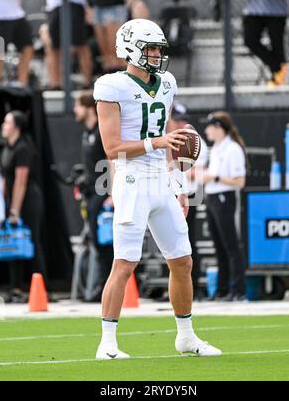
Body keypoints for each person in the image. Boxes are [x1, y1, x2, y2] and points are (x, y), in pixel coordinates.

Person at [93, 18, 222, 359]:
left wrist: (179, 183)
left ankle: (186, 337)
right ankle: (107, 344)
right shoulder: (111, 86)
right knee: (124, 263)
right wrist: (156, 142)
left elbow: (171, 144)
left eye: (157, 49)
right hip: (132, 179)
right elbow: (112, 148)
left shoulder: (166, 83)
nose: (155, 55)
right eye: (149, 48)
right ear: (130, 49)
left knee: (182, 261)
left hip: (162, 181)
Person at [0, 111, 47, 303]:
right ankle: (16, 288)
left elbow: (21, 182)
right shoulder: (6, 148)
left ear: (16, 126)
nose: (3, 125)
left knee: (32, 240)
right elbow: (5, 180)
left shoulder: (23, 148)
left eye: (7, 122)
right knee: (12, 242)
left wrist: (15, 210)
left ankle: (41, 287)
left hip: (29, 201)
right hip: (13, 202)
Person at [203, 111, 246, 302]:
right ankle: (221, 289)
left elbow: (239, 181)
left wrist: (215, 177)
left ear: (219, 128)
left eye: (210, 126)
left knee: (230, 245)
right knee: (218, 247)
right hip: (212, 197)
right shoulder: (217, 148)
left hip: (224, 197)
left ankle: (237, 289)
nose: (206, 130)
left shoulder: (233, 149)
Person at [74, 91, 113, 299]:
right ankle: (103, 287)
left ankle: (110, 288)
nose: (74, 110)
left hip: (103, 193)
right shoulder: (86, 132)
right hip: (91, 193)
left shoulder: (100, 131)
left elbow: (111, 160)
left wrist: (113, 193)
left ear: (89, 108)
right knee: (97, 243)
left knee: (105, 243)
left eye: (77, 106)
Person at [169, 103, 208, 300]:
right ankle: (176, 288)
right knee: (171, 244)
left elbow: (196, 170)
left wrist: (174, 165)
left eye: (181, 119)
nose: (180, 123)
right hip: (171, 194)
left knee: (187, 243)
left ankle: (194, 286)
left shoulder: (194, 141)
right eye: (176, 119)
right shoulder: (169, 139)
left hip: (188, 196)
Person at [224, 0, 289, 86]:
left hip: (277, 10)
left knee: (277, 43)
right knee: (250, 40)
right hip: (253, 10)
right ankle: (277, 68)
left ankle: (278, 80)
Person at [45, 0, 93, 90]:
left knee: (81, 45)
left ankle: (87, 83)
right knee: (54, 47)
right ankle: (56, 84)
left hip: (76, 2)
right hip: (54, 4)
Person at [91, 0, 132, 73]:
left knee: (115, 48)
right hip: (98, 5)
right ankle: (110, 77)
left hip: (115, 5)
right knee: (104, 50)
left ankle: (124, 79)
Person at [0, 0, 34, 86]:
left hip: (17, 15)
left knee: (28, 48)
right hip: (1, 16)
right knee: (0, 52)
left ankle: (21, 86)